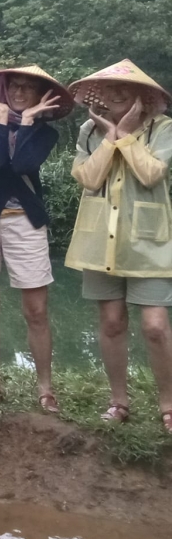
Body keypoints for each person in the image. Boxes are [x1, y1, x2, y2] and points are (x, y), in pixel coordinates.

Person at [65, 59, 172, 432]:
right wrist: (110, 136)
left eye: (125, 88)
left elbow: (151, 173)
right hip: (100, 241)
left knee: (155, 326)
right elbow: (88, 178)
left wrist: (125, 133)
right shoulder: (89, 131)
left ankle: (168, 404)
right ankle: (119, 402)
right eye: (109, 88)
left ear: (143, 95)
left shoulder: (162, 128)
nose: (116, 94)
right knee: (111, 322)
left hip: (149, 243)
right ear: (99, 95)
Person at [0, 66, 73, 411]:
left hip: (25, 220)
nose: (20, 92)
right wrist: (1, 117)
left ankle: (45, 388)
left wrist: (25, 121)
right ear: (4, 90)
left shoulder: (45, 133)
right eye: (15, 86)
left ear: (40, 95)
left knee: (36, 309)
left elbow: (24, 163)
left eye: (28, 88)